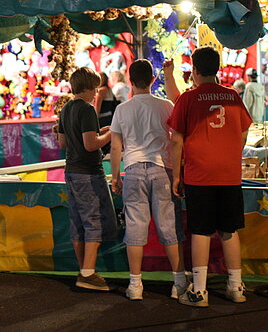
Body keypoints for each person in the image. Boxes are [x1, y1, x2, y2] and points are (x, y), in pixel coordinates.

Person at [168, 46, 252, 307]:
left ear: (194, 70)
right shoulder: (232, 95)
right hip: (229, 174)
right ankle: (236, 287)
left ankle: (199, 292)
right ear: (217, 68)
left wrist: (175, 176)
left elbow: (176, 141)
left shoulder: (188, 98)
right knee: (229, 230)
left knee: (201, 232)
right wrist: (229, 153)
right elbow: (244, 132)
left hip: (199, 174)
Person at [110, 59, 187, 301]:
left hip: (132, 169)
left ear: (130, 81)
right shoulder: (165, 106)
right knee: (168, 226)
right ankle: (180, 282)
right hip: (161, 168)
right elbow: (176, 140)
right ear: (153, 80)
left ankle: (135, 285)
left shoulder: (122, 110)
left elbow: (115, 147)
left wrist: (115, 176)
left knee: (134, 226)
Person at [55, 67, 118, 291]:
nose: (96, 93)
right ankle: (88, 273)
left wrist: (97, 131)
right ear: (89, 87)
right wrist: (111, 134)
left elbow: (63, 143)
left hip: (71, 171)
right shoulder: (87, 109)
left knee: (78, 222)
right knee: (94, 221)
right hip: (88, 172)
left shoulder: (66, 109)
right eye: (95, 88)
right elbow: (91, 144)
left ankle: (84, 269)